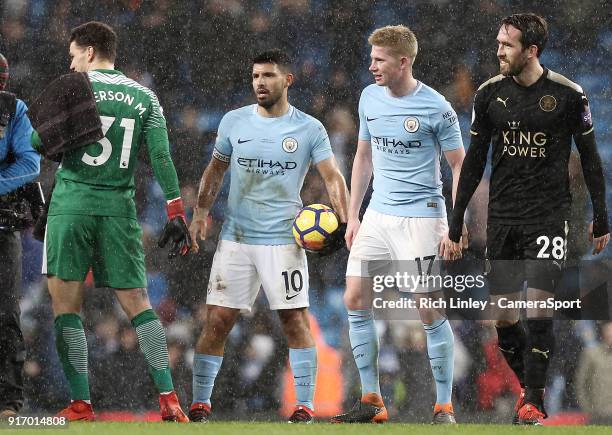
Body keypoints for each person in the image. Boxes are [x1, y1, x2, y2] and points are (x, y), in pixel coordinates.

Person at [447, 13, 610, 425]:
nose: (498, 51)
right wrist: (456, 220)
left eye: (507, 45)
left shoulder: (569, 96)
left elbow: (591, 161)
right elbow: (473, 164)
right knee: (502, 314)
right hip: (503, 218)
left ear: (531, 50)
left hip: (549, 217)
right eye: (498, 42)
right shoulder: (488, 96)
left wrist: (601, 217)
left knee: (539, 306)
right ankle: (530, 388)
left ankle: (534, 400)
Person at [188, 48, 349, 424]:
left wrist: (344, 221)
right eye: (256, 76)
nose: (260, 82)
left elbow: (332, 176)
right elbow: (215, 171)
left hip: (285, 242)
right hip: (236, 239)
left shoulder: (309, 128)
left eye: (269, 76)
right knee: (218, 321)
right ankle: (199, 404)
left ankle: (305, 407)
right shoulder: (234, 122)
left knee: (294, 320)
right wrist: (199, 213)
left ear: (287, 80)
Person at [41, 21, 191, 422]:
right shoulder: (145, 98)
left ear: (89, 52)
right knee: (139, 305)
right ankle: (168, 398)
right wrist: (175, 209)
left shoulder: (73, 89)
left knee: (66, 306)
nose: (71, 64)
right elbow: (160, 157)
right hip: (118, 210)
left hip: (72, 204)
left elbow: (39, 143)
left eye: (73, 55)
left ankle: (81, 403)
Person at [331, 25, 465, 424]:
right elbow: (363, 157)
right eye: (371, 58)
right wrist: (353, 216)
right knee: (354, 298)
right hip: (377, 216)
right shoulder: (369, 97)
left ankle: (444, 405)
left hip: (423, 218)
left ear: (403, 62)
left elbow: (459, 165)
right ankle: (372, 400)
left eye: (379, 59)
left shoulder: (437, 107)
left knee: (428, 308)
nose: (371, 66)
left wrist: (455, 225)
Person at [0, 52, 41, 419]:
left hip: (1, 226)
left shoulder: (13, 111)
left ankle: (8, 403)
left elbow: (30, 163)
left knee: (5, 316)